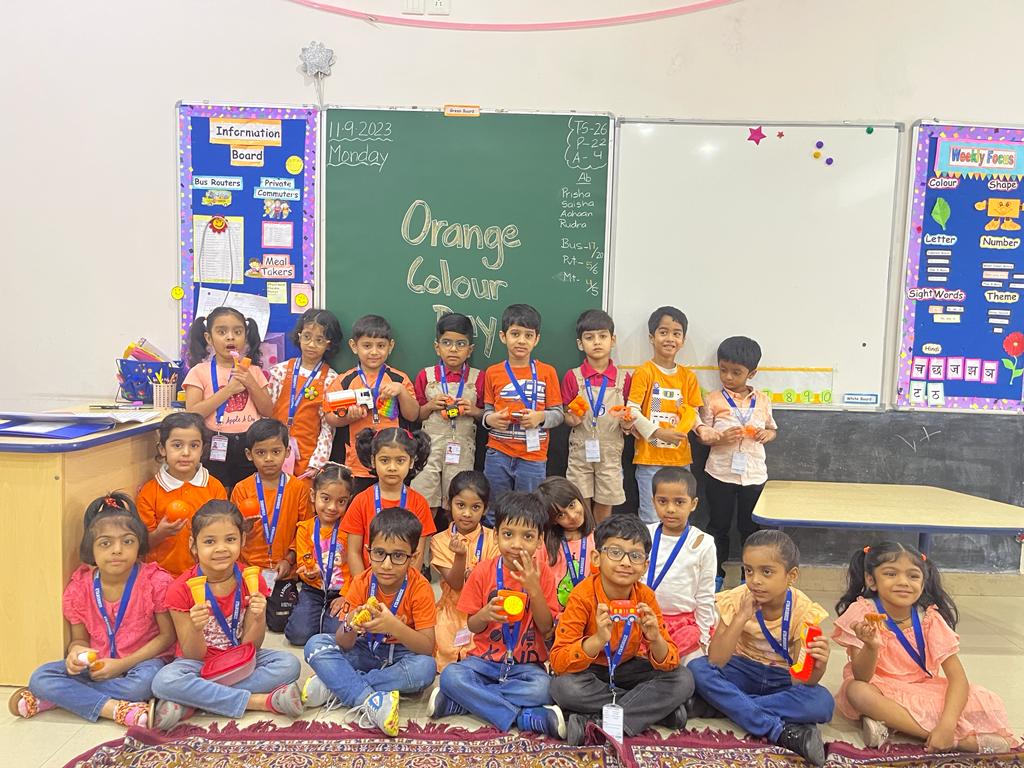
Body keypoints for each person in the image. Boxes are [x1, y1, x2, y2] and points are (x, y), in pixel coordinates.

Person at [832, 542, 1017, 753]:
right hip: (880, 688)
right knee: (856, 691)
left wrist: (947, 724)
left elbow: (958, 679)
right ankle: (950, 740)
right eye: (891, 574)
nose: (903, 582)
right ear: (871, 580)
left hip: (922, 688)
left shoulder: (930, 618)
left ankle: (898, 727)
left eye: (913, 576)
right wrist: (871, 647)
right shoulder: (862, 612)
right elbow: (861, 676)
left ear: (923, 582)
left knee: (983, 700)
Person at [10, 494, 174, 727]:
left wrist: (121, 665)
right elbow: (78, 640)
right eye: (105, 543)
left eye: (127, 541)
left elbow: (167, 637)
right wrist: (75, 655)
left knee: (145, 685)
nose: (117, 550)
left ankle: (62, 699)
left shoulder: (156, 581)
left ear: (139, 544)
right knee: (40, 677)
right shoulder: (79, 587)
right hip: (97, 663)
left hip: (143, 661)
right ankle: (115, 708)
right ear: (91, 549)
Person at [150, 501, 303, 730]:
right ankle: (258, 702)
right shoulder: (180, 589)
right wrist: (195, 627)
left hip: (239, 659)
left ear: (242, 540)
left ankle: (195, 700)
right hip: (198, 664)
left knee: (290, 664)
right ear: (194, 544)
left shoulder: (251, 580)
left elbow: (252, 645)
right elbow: (193, 653)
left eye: (230, 540)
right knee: (164, 681)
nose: (221, 548)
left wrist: (258, 616)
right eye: (210, 541)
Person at [688, 531, 834, 766]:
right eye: (748, 570)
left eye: (767, 572)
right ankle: (777, 730)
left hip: (781, 678)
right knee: (697, 668)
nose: (755, 580)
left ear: (791, 575)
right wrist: (741, 617)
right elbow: (716, 659)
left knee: (823, 702)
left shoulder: (803, 610)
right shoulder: (737, 598)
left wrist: (820, 665)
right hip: (742, 669)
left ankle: (722, 706)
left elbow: (801, 681)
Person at [549, 515, 694, 745]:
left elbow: (670, 660)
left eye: (635, 556)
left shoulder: (645, 596)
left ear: (645, 565)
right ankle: (654, 711)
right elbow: (558, 660)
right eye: (615, 552)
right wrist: (596, 640)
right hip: (590, 671)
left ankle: (597, 722)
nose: (626, 562)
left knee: (683, 679)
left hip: (627, 668)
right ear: (596, 557)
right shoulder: (582, 596)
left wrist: (655, 639)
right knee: (563, 687)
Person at [430, 492, 565, 738]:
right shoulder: (483, 571)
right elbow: (472, 625)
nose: (516, 544)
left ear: (539, 541)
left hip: (525, 665)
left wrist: (534, 589)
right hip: (484, 662)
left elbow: (547, 630)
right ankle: (522, 717)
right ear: (496, 535)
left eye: (527, 536)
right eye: (508, 534)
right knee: (451, 675)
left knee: (546, 688)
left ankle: (463, 702)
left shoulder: (542, 573)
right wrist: (485, 613)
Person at [302, 509, 438, 737]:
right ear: (369, 551)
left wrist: (394, 626)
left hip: (401, 656)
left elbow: (427, 647)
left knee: (426, 669)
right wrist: (349, 625)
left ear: (413, 557)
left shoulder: (420, 587)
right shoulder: (362, 581)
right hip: (364, 650)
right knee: (315, 644)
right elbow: (344, 643)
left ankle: (337, 687)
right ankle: (368, 698)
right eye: (379, 553)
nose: (386, 564)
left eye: (398, 556)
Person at [696, 336, 777, 592]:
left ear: (751, 373)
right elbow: (703, 434)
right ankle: (715, 574)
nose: (728, 377)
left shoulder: (763, 400)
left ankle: (748, 576)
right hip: (719, 473)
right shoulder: (713, 400)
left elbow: (772, 429)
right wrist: (719, 437)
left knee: (750, 529)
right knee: (717, 526)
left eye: (736, 372)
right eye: (723, 370)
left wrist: (767, 435)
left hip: (753, 475)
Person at [481, 304, 564, 512]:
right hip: (498, 453)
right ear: (503, 336)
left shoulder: (547, 372)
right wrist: (490, 420)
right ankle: (493, 544)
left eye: (528, 335)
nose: (521, 340)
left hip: (533, 457)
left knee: (530, 510)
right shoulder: (492, 372)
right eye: (515, 334)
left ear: (536, 339)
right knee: (494, 509)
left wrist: (540, 417)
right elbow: (487, 410)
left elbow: (559, 414)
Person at [325, 314, 418, 495]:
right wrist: (346, 418)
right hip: (357, 462)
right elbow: (330, 417)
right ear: (354, 346)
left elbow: (413, 415)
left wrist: (401, 391)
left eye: (381, 346)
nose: (374, 352)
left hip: (393, 460)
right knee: (359, 507)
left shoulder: (399, 379)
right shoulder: (344, 381)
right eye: (367, 346)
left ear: (390, 346)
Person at [183, 306, 273, 492]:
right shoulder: (199, 371)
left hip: (250, 445)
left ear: (245, 336)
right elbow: (192, 414)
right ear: (209, 338)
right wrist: (229, 390)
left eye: (237, 332)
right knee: (218, 494)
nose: (230, 337)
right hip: (214, 444)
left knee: (248, 495)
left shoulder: (254, 371)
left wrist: (251, 383)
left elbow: (268, 410)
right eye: (222, 332)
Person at [625, 306, 702, 524]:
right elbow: (632, 410)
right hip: (650, 460)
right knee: (651, 518)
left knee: (679, 518)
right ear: (652, 337)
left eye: (676, 333)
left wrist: (703, 429)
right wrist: (658, 432)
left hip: (680, 461)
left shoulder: (688, 376)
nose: (670, 338)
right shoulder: (644, 372)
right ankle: (651, 559)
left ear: (683, 340)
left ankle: (677, 558)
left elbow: (693, 412)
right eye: (663, 332)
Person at [411, 312, 484, 519]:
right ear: (437, 347)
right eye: (447, 342)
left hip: (461, 447)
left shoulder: (479, 378)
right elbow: (416, 415)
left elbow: (486, 416)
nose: (453, 349)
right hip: (429, 447)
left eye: (461, 344)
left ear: (470, 350)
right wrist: (431, 406)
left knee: (459, 501)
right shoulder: (426, 375)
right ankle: (422, 550)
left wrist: (473, 410)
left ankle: (453, 548)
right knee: (424, 499)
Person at [560, 309, 631, 523]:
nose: (597, 342)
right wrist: (569, 419)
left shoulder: (623, 379)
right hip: (581, 447)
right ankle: (585, 537)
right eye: (589, 338)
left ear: (613, 340)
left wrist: (628, 425)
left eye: (602, 336)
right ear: (580, 344)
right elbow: (565, 412)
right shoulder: (573, 377)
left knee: (606, 497)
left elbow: (629, 416)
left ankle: (600, 537)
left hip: (611, 449)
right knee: (579, 496)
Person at [137, 412, 227, 577]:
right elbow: (141, 545)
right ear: (162, 449)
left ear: (202, 449)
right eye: (177, 445)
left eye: (194, 445)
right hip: (163, 577)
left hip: (207, 575)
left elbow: (223, 533)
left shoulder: (214, 487)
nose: (186, 453)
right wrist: (160, 533)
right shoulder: (149, 492)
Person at [643, 467, 717, 661]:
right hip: (644, 621)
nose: (670, 509)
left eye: (679, 502)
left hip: (685, 626)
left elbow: (705, 593)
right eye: (662, 501)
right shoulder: (644, 535)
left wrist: (703, 636)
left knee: (696, 674)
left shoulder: (704, 542)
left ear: (693, 504)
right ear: (653, 502)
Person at [341, 427, 435, 575]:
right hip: (366, 586)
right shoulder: (360, 501)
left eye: (400, 461)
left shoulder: (420, 504)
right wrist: (363, 589)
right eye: (384, 460)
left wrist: (405, 589)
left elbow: (417, 555)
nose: (392, 467)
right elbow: (353, 552)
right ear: (373, 460)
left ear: (411, 462)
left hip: (405, 587)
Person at [430, 471, 498, 671]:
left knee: (484, 658)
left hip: (483, 611)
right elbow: (455, 583)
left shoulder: (494, 538)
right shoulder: (439, 540)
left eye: (475, 507)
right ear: (449, 503)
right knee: (440, 650)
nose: (467, 513)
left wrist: (476, 575)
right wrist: (461, 557)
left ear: (485, 509)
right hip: (451, 610)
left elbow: (492, 580)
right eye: (461, 505)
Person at [230, 419, 310, 585]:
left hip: (286, 571)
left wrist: (289, 560)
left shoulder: (298, 488)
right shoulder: (241, 489)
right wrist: (244, 527)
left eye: (275, 451)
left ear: (287, 451)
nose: (268, 458)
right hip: (248, 571)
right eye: (260, 453)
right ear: (249, 454)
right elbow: (231, 532)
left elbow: (305, 532)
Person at [266, 308, 344, 478]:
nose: (311, 344)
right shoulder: (280, 371)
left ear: (328, 344)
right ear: (299, 336)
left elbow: (327, 428)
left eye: (319, 340)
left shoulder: (331, 379)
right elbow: (266, 412)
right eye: (307, 337)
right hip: (273, 451)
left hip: (307, 456)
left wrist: (317, 462)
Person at [285, 463, 355, 646]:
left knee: (336, 636)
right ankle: (308, 611)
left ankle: (327, 618)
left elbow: (355, 567)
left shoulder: (350, 532)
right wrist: (308, 572)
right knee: (298, 635)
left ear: (349, 500)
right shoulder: (304, 529)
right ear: (313, 496)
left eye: (341, 501)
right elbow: (302, 561)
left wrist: (347, 595)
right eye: (325, 499)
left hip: (341, 592)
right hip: (312, 589)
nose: (332, 507)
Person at [536, 477, 596, 613]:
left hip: (590, 616)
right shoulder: (544, 544)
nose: (572, 516)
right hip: (555, 619)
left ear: (579, 498)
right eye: (561, 515)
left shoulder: (598, 538)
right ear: (553, 521)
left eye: (572, 505)